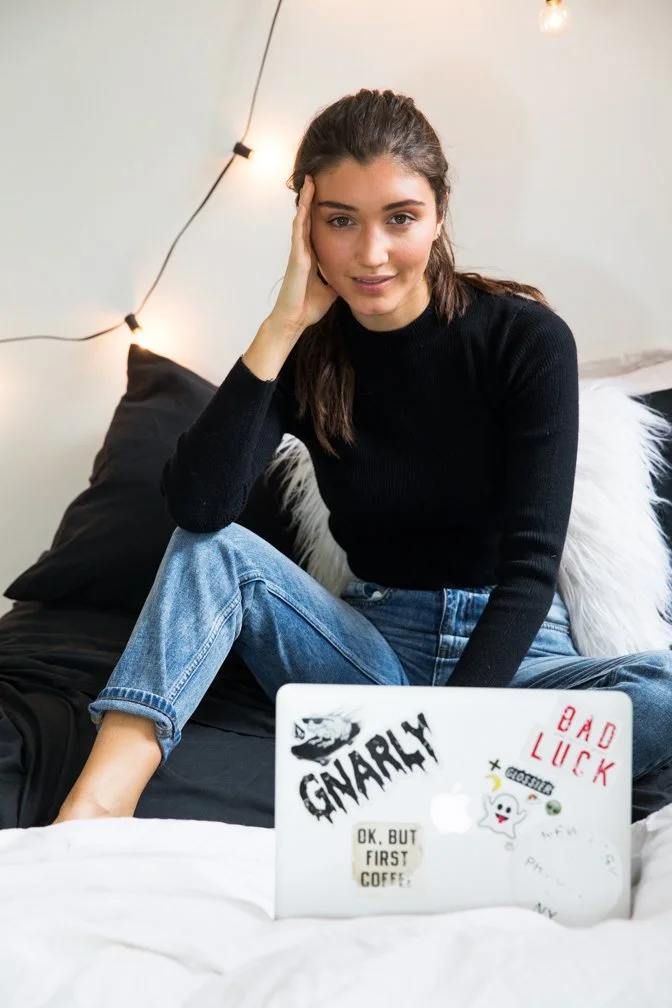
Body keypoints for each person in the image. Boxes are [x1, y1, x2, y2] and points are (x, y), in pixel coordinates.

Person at [54, 88, 672, 823]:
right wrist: (281, 325)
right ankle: (94, 811)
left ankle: (427, 792)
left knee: (659, 692)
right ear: (303, 227)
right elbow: (200, 506)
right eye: (339, 221)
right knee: (206, 553)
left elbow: (531, 569)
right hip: (373, 651)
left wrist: (445, 733)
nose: (371, 253)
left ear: (439, 213)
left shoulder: (525, 339)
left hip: (519, 661)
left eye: (400, 218)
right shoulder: (306, 351)